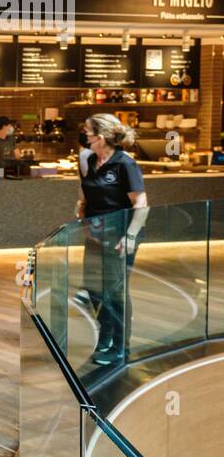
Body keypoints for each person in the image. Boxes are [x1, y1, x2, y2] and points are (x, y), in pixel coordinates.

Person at [76, 113, 148, 366]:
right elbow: (84, 196)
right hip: (95, 234)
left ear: (102, 136)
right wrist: (84, 220)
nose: (84, 134)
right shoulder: (87, 160)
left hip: (121, 235)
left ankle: (120, 346)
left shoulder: (125, 163)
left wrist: (130, 236)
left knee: (115, 291)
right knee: (94, 288)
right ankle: (105, 336)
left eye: (88, 130)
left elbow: (141, 202)